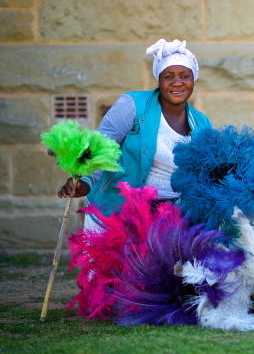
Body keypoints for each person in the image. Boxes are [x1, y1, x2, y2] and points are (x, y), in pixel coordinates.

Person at [58, 39, 211, 230]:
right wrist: (86, 181)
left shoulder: (201, 123)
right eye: (169, 76)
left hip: (168, 223)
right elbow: (101, 145)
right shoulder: (133, 104)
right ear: (159, 80)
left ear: (193, 79)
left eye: (184, 76)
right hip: (118, 215)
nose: (177, 83)